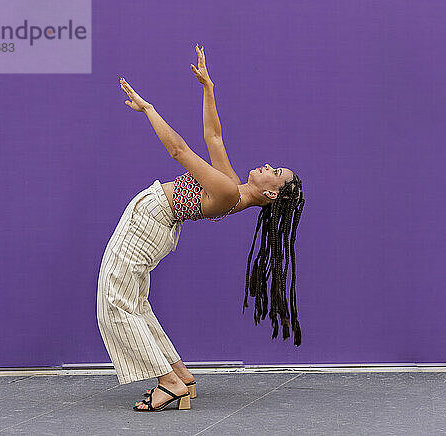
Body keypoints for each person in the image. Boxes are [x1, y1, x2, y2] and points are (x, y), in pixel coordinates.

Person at [96, 44, 305, 412]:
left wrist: (149, 110)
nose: (268, 166)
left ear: (271, 193)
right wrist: (208, 88)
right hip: (154, 221)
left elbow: (179, 150)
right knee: (134, 303)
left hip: (150, 222)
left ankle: (169, 384)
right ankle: (181, 376)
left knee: (113, 303)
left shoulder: (226, 192)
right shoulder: (232, 185)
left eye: (275, 173)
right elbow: (214, 138)